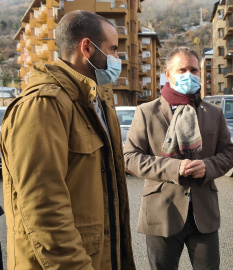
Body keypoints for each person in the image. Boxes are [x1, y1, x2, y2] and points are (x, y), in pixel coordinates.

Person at [0, 10, 135, 269]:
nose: (118, 59)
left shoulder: (98, 100)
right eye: (114, 49)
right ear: (87, 47)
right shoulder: (43, 106)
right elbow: (44, 212)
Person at [124, 47, 233, 270]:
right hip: (161, 212)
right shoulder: (147, 112)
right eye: (182, 69)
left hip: (203, 214)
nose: (189, 74)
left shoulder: (213, 113)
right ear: (168, 74)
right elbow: (130, 158)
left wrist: (208, 166)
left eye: (194, 70)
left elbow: (228, 154)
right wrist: (175, 168)